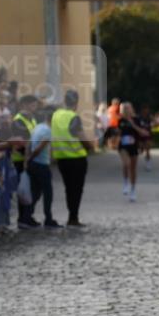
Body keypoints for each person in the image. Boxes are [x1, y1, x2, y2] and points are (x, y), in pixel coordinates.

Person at [51, 89, 93, 227]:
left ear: (65, 100)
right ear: (76, 102)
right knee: (77, 189)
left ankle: (72, 216)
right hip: (77, 159)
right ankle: (73, 218)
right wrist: (90, 146)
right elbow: (82, 138)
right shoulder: (73, 117)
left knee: (68, 188)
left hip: (61, 159)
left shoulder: (56, 115)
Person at [25, 104, 61, 228]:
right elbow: (39, 148)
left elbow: (29, 144)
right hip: (41, 164)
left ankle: (27, 216)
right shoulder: (47, 131)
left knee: (36, 191)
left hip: (34, 164)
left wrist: (27, 160)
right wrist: (31, 158)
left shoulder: (38, 127)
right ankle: (48, 218)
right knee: (47, 192)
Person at [10, 95, 39, 228]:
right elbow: (23, 141)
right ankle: (23, 218)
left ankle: (28, 216)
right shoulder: (18, 120)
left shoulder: (31, 119)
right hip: (20, 160)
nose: (35, 107)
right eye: (33, 105)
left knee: (31, 189)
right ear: (24, 105)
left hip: (31, 158)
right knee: (24, 190)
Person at [118, 101, 146, 201]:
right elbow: (117, 133)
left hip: (134, 146)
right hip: (123, 146)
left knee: (133, 169)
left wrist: (132, 124)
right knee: (127, 164)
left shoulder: (137, 120)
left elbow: (143, 133)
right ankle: (126, 182)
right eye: (124, 109)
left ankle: (133, 190)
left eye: (127, 108)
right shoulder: (120, 120)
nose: (126, 110)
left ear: (131, 109)